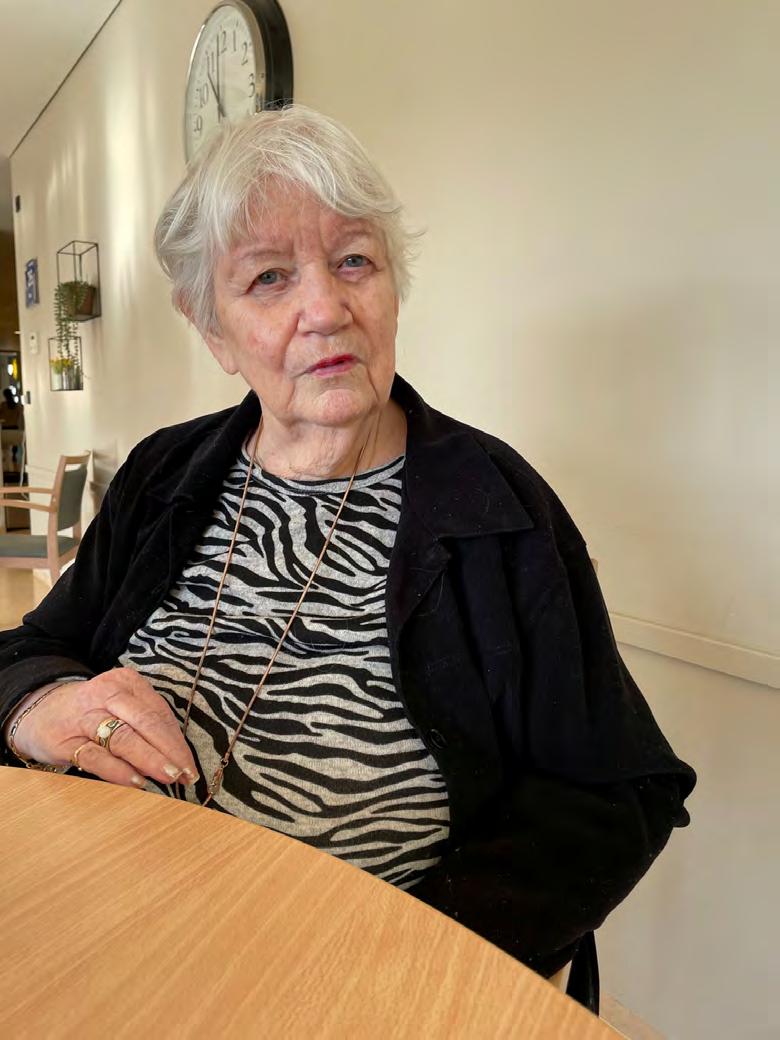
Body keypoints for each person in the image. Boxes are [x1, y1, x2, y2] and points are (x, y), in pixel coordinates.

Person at [0, 105, 694, 1009]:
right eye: (269, 278)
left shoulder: (496, 510)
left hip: (345, 989)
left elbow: (616, 792)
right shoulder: (165, 474)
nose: (326, 309)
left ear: (392, 288)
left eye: (354, 261)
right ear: (213, 330)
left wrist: (406, 960)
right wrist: (42, 706)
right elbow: (29, 649)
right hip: (113, 926)